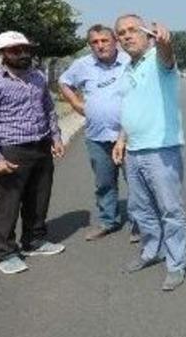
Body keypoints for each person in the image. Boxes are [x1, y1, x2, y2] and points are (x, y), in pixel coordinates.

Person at [0, 31, 66, 275]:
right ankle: (4, 253)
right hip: (11, 149)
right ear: (3, 54)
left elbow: (48, 109)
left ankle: (34, 241)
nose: (23, 54)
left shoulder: (38, 77)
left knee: (39, 198)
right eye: (15, 50)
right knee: (8, 203)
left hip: (40, 146)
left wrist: (56, 136)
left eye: (25, 49)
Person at [111, 15, 186, 292]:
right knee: (139, 208)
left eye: (133, 30)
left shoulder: (159, 59)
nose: (127, 36)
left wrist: (166, 43)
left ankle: (176, 263)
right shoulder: (127, 68)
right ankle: (150, 251)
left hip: (161, 150)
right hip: (134, 150)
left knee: (170, 209)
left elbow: (168, 55)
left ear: (146, 34)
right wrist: (121, 140)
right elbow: (129, 109)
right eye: (121, 33)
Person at [58, 24, 137, 242]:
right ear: (90, 45)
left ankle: (140, 224)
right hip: (97, 136)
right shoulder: (82, 65)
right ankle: (108, 221)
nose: (100, 45)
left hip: (131, 135)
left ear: (115, 42)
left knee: (136, 182)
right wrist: (75, 103)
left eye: (105, 40)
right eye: (95, 42)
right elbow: (64, 82)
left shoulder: (130, 61)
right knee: (104, 183)